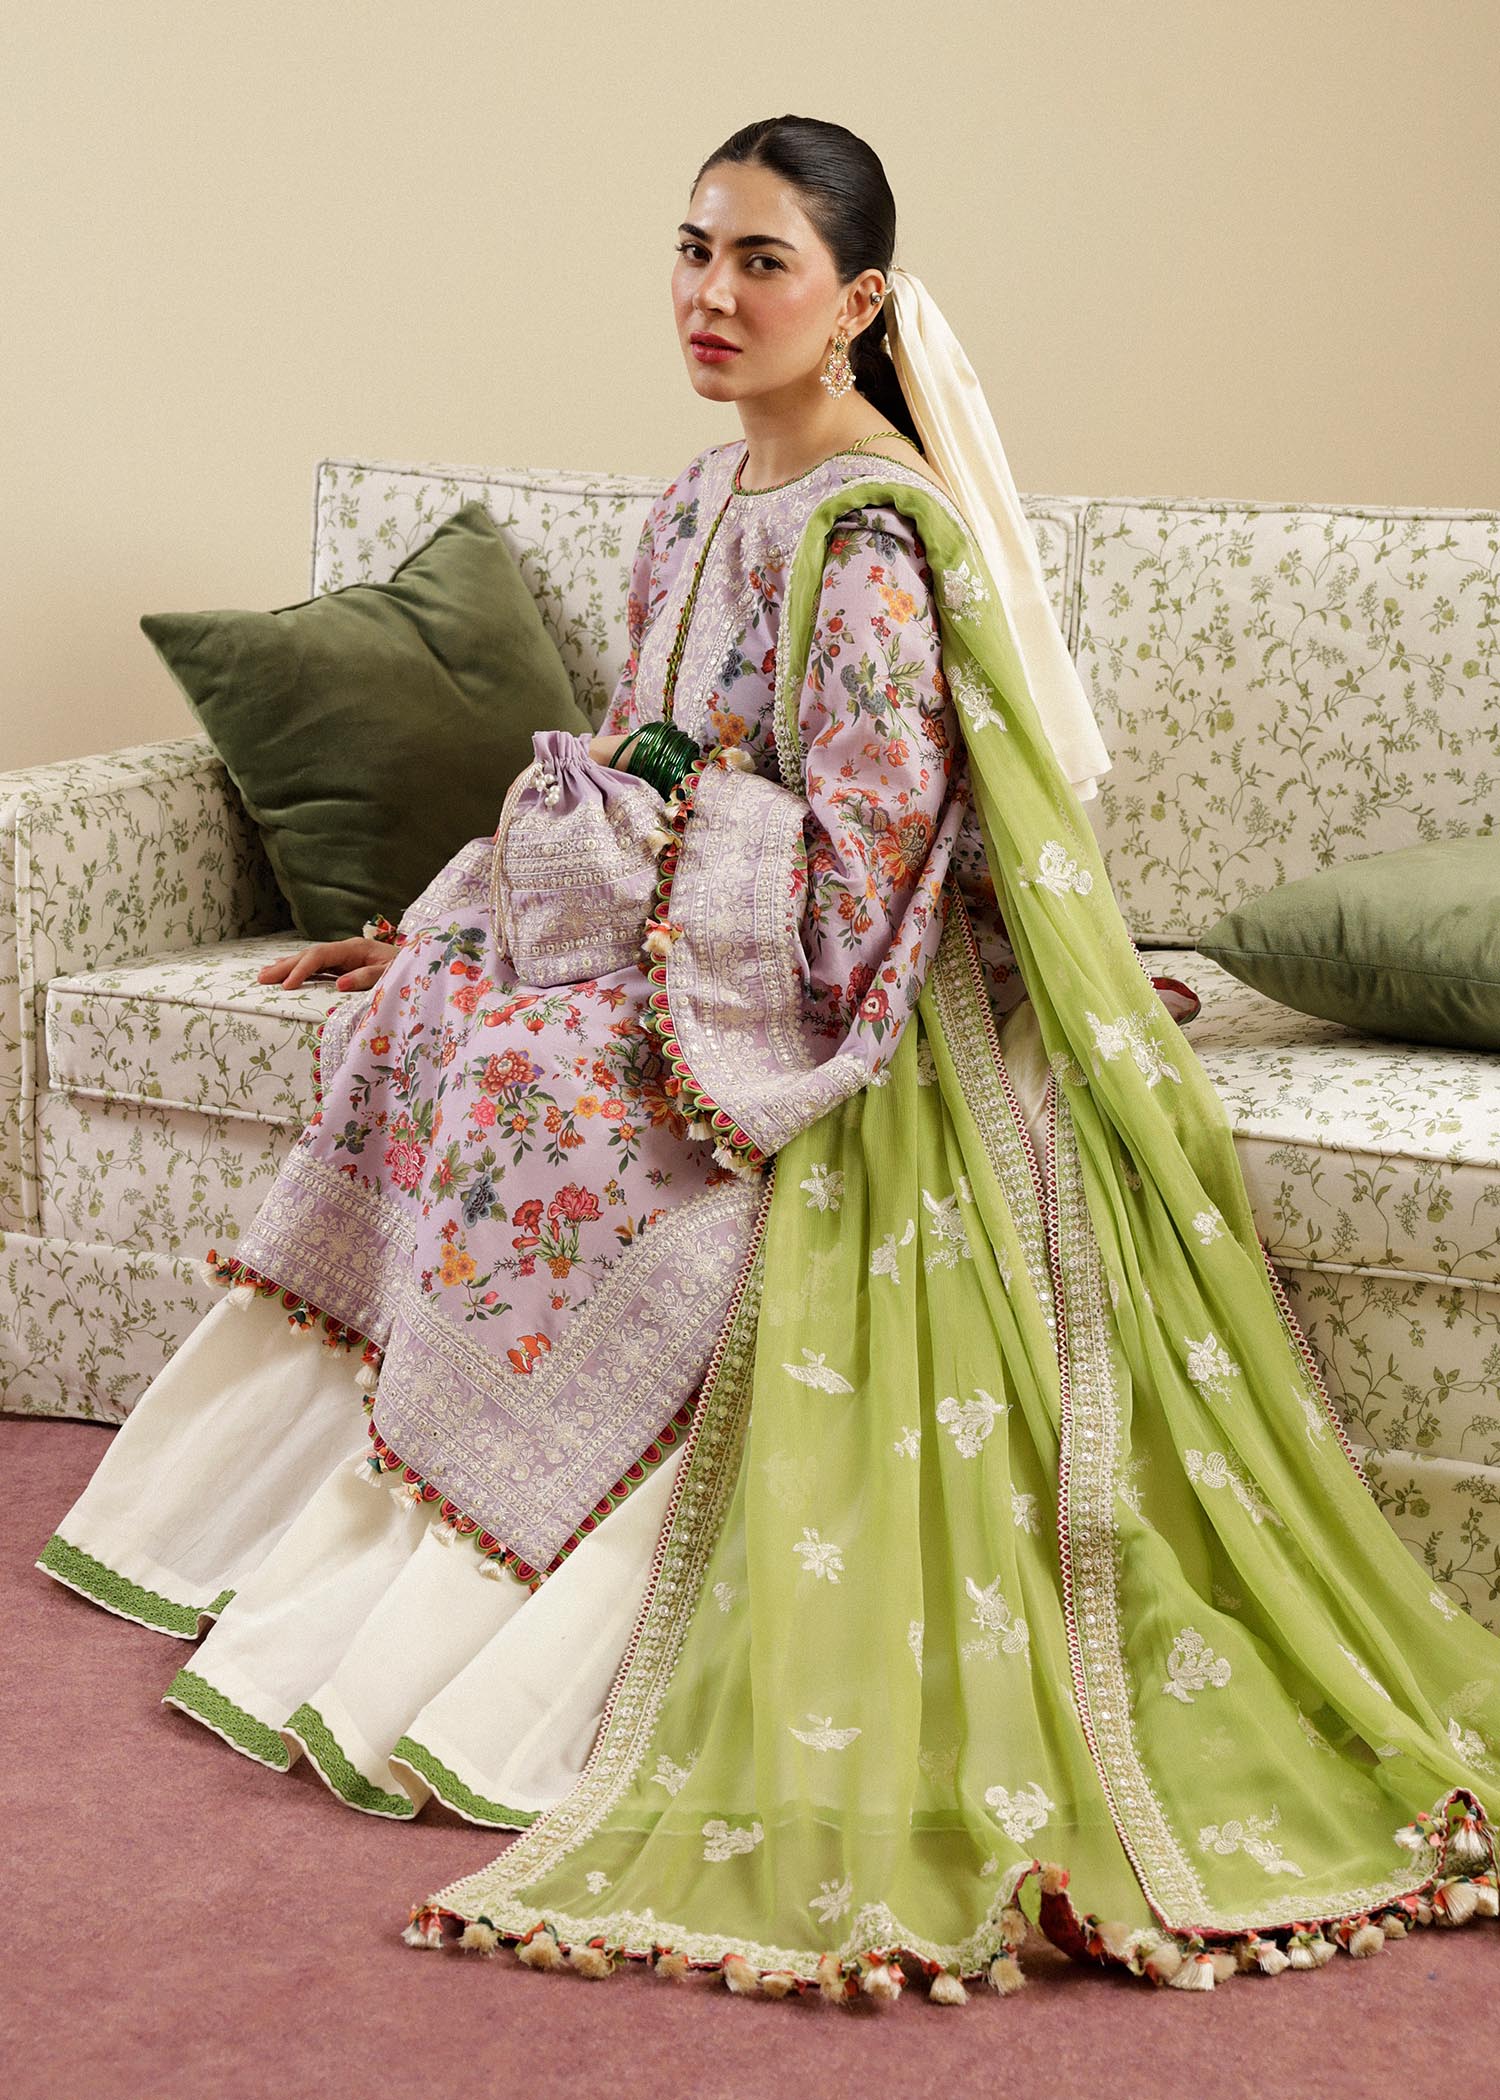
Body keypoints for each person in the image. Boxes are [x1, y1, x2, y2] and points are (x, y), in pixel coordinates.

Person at [37, 116, 1499, 2008]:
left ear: (858, 299)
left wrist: (648, 908)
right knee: (430, 1021)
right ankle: (350, 1545)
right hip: (688, 929)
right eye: (693, 251)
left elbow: (869, 863)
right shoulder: (694, 498)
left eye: (761, 263)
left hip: (832, 987)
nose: (711, 297)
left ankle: (497, 1565)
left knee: (548, 1103)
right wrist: (485, 912)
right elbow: (634, 754)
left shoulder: (872, 538)